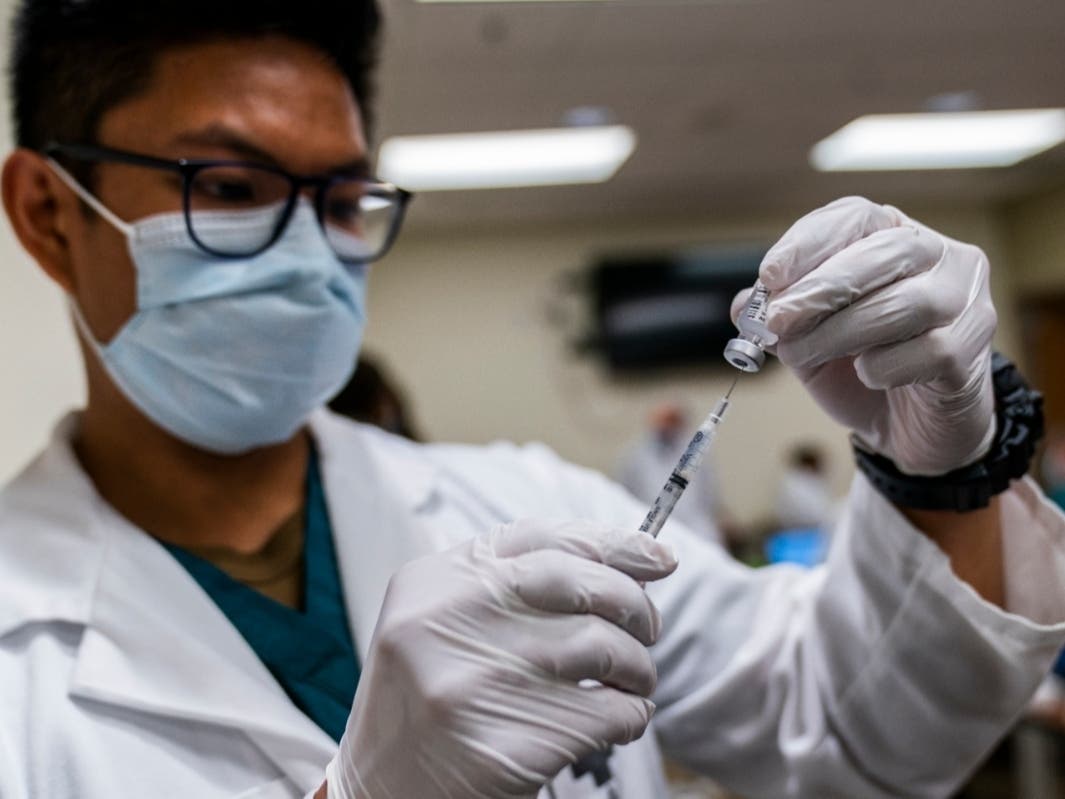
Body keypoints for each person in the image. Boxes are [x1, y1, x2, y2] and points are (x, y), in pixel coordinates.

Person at [1, 2, 1064, 798]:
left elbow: (849, 731)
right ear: (49, 214)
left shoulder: (526, 505)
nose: (305, 251)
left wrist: (948, 466)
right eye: (228, 189)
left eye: (341, 199)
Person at [616, 401, 728, 546]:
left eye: (672, 421)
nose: (666, 426)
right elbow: (624, 492)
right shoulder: (635, 456)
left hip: (694, 526)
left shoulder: (698, 452)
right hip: (651, 524)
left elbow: (709, 494)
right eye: (663, 420)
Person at [775, 443, 834, 532]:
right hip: (799, 532)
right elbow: (815, 514)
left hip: (809, 529)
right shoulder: (795, 484)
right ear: (809, 464)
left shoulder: (809, 482)